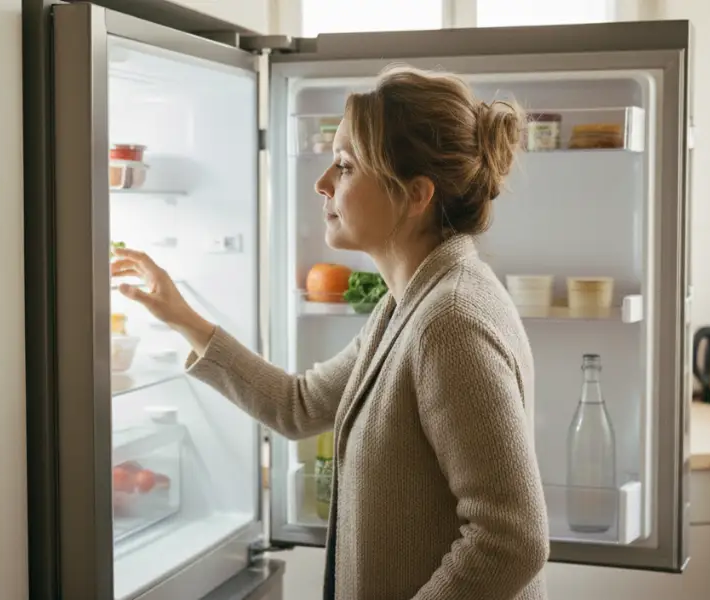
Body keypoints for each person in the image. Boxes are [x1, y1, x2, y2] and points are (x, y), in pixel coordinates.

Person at [112, 64, 550, 600]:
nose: (322, 183)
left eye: (344, 166)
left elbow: (512, 538)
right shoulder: (409, 302)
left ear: (415, 195)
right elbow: (297, 405)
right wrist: (180, 314)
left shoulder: (450, 321)